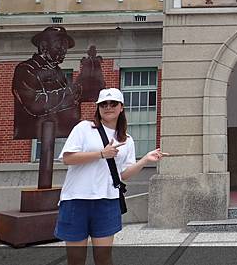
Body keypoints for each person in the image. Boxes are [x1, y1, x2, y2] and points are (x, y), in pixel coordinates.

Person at [54, 88, 169, 265]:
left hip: (107, 201)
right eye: (103, 104)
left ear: (121, 107)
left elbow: (123, 174)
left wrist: (145, 160)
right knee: (76, 259)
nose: (108, 107)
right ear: (98, 107)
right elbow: (68, 158)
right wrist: (101, 154)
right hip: (76, 200)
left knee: (104, 258)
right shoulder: (84, 128)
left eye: (113, 103)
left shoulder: (126, 139)